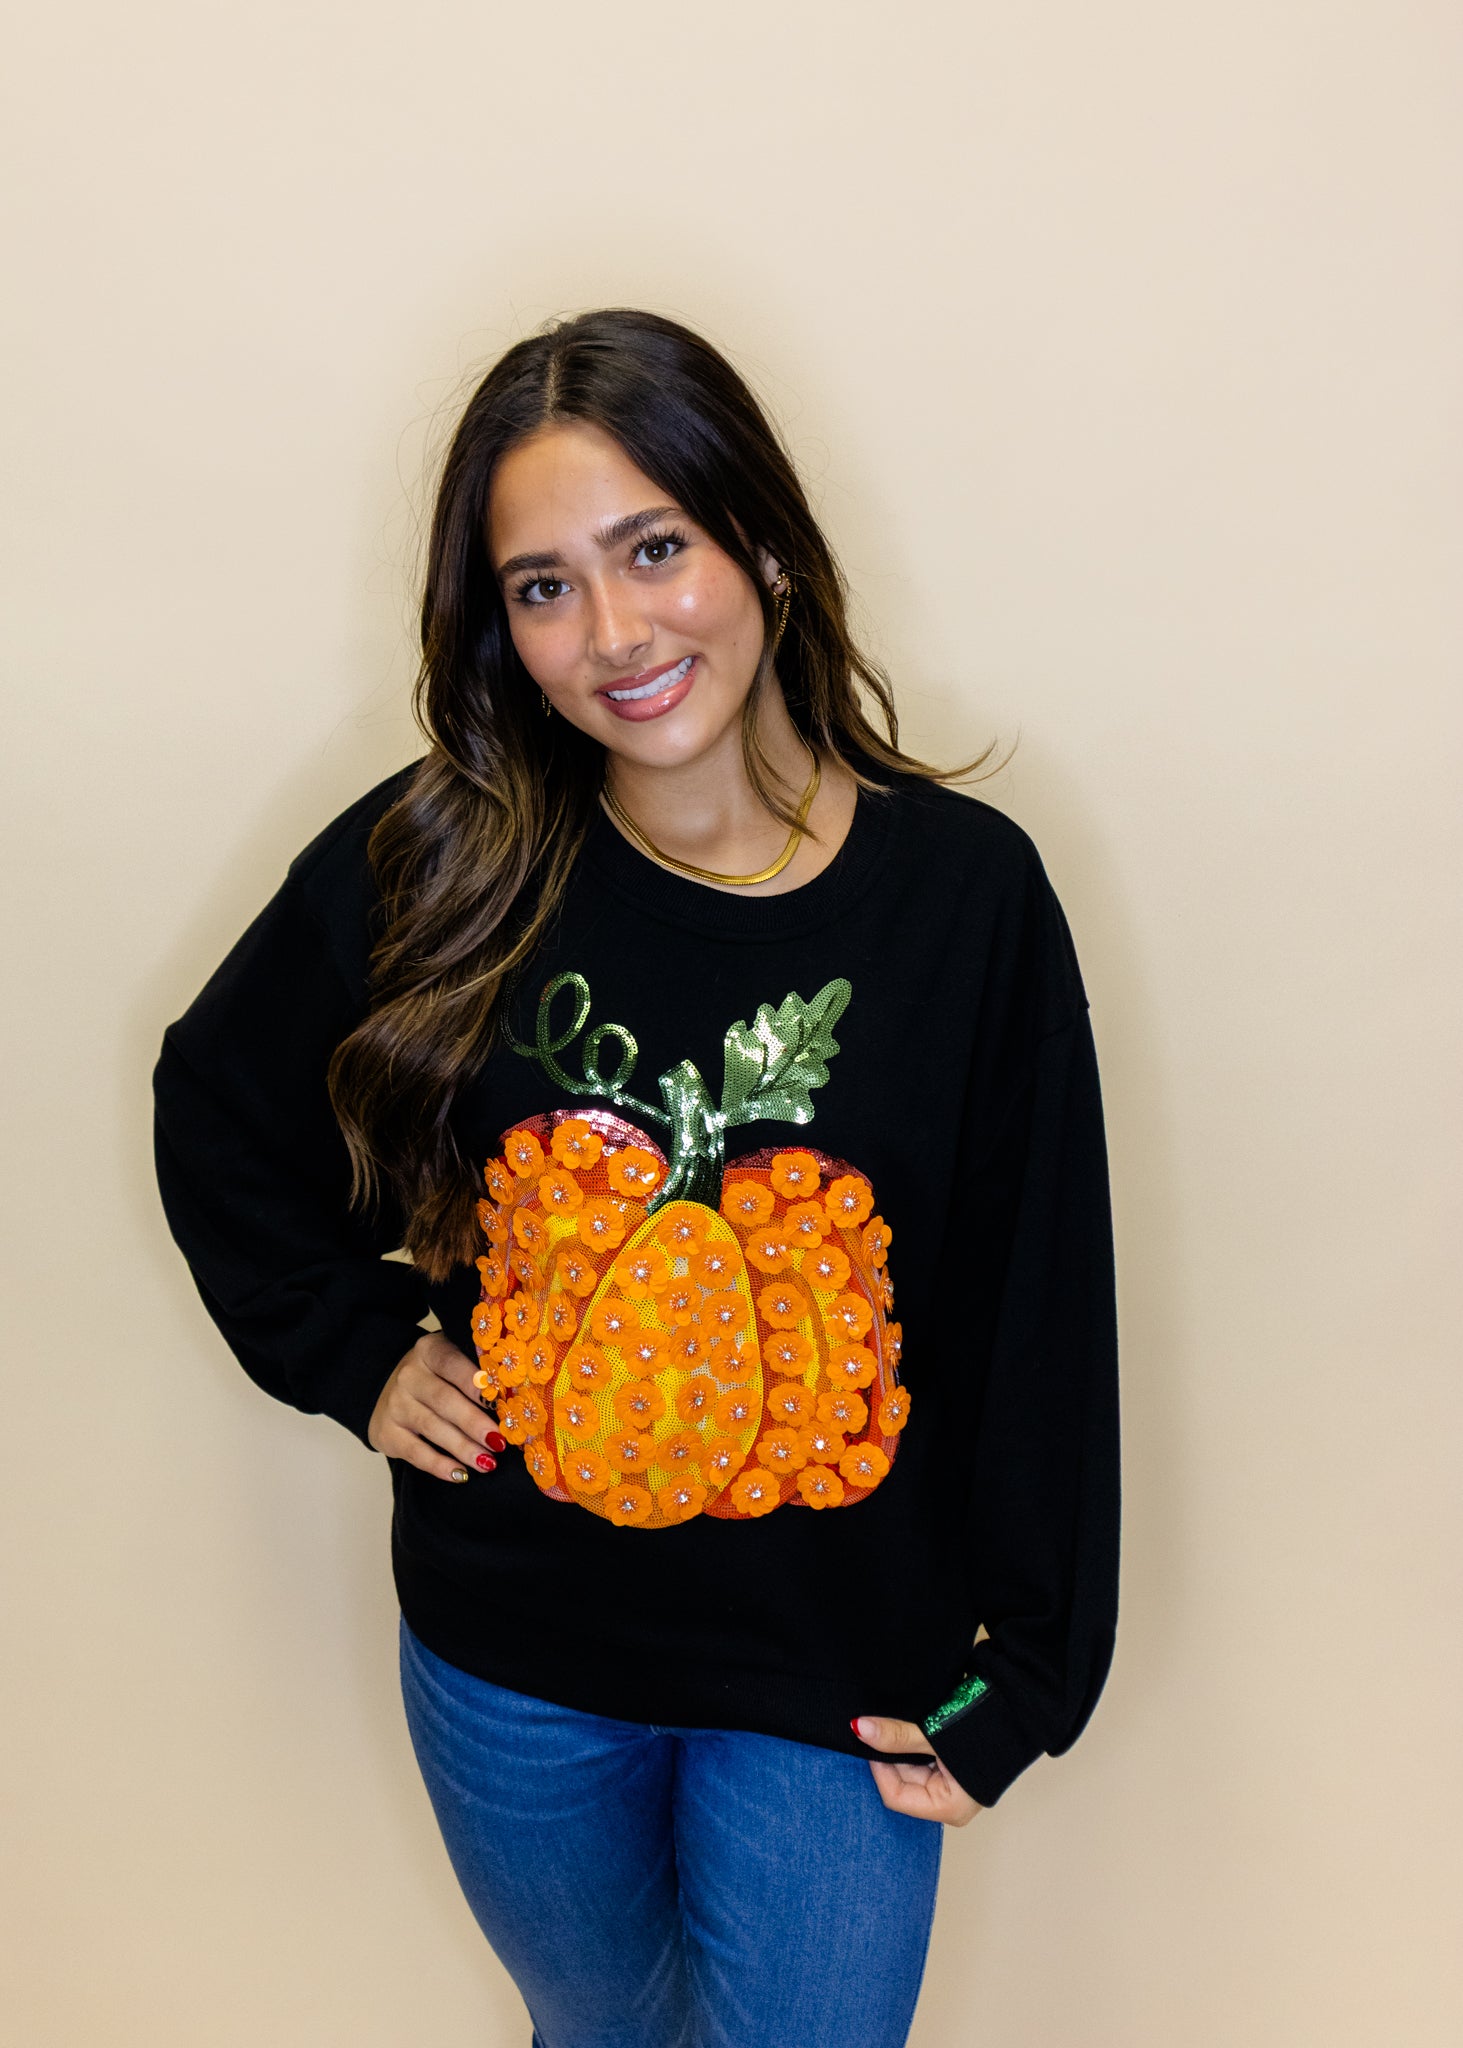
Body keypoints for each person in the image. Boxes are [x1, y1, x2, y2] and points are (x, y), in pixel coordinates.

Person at [153, 307, 1120, 2048]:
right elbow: (215, 1103)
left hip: (835, 1673)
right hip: (514, 1665)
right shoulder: (441, 857)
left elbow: (1034, 1291)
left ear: (762, 541)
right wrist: (347, 1349)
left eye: (653, 549)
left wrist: (1034, 1669)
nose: (613, 633)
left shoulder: (963, 899)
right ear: (498, 628)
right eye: (542, 587)